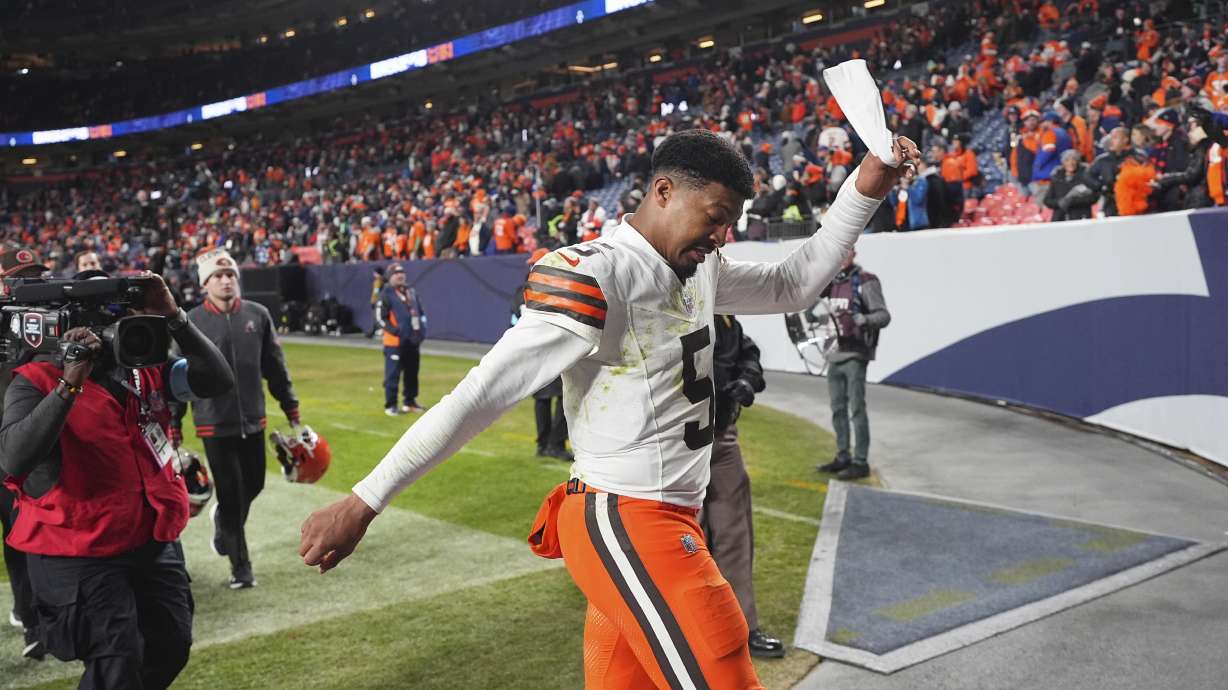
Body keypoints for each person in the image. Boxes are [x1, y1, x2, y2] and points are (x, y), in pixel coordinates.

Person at [299, 129, 918, 688]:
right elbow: (481, 395)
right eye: (714, 218)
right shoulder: (598, 276)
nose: (720, 236)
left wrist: (863, 188)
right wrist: (364, 500)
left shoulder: (696, 267)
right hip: (629, 519)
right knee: (723, 659)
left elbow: (791, 284)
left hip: (668, 513)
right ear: (664, 191)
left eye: (729, 223)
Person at [0, 271, 233, 689]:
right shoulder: (34, 381)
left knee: (171, 645)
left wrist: (175, 316)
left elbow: (218, 379)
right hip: (80, 549)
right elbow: (13, 458)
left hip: (151, 536)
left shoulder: (145, 369)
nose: (116, 328)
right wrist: (69, 383)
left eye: (121, 315)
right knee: (117, 662)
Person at [170, 248, 301, 590]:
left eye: (230, 275)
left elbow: (275, 365)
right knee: (231, 493)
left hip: (253, 419)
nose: (226, 281)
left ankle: (224, 523)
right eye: (217, 276)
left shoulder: (258, 314)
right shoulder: (190, 321)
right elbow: (177, 377)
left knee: (253, 485)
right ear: (205, 284)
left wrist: (290, 406)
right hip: (213, 422)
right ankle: (241, 567)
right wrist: (174, 422)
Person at [703, 314, 783, 658]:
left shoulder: (723, 317)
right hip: (669, 446)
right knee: (684, 540)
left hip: (719, 438)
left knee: (734, 533)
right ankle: (684, 627)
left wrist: (748, 380)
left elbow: (747, 352)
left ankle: (741, 626)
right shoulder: (665, 305)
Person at [0, 247, 50, 660]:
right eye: (21, 277)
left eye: (35, 276)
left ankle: (34, 624)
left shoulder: (48, 324)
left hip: (24, 452)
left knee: (23, 538)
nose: (29, 284)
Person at [816, 248, 892, 480]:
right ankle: (843, 456)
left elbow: (884, 316)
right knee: (837, 408)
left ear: (853, 253)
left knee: (856, 409)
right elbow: (822, 313)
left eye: (845, 252)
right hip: (834, 354)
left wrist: (865, 319)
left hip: (855, 354)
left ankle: (860, 461)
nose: (841, 257)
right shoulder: (830, 283)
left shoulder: (866, 281)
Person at [511, 249, 572, 461]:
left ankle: (546, 443)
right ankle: (553, 444)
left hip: (538, 351)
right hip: (550, 350)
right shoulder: (555, 290)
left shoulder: (524, 290)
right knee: (558, 398)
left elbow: (513, 321)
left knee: (548, 399)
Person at [376, 263, 427, 415]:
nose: (400, 275)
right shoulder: (385, 293)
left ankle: (409, 402)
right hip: (395, 342)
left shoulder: (411, 291)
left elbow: (421, 312)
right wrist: (396, 331)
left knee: (412, 373)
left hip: (412, 341)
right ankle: (390, 405)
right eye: (396, 273)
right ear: (389, 277)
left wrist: (422, 331)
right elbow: (380, 318)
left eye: (402, 272)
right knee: (392, 374)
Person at [1043, 149, 1098, 221]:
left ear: (1077, 162)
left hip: (1081, 217)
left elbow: (1093, 197)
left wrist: (1072, 200)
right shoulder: (1057, 178)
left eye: (1073, 160)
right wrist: (1060, 202)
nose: (1070, 163)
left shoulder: (1086, 176)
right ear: (1063, 163)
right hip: (1060, 218)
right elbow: (1047, 200)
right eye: (1067, 160)